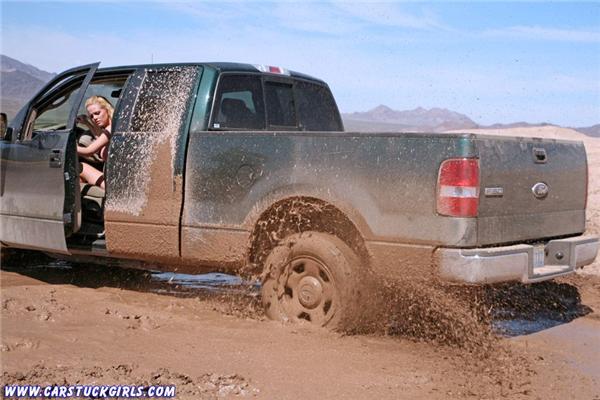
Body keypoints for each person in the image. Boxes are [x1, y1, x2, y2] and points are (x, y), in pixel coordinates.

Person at [76, 96, 113, 189]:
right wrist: (87, 123)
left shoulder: (111, 128)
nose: (95, 118)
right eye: (91, 116)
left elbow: (89, 151)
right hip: (113, 177)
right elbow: (99, 137)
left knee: (81, 167)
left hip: (113, 183)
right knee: (79, 179)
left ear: (107, 109)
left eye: (97, 113)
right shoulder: (114, 127)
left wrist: (67, 146)